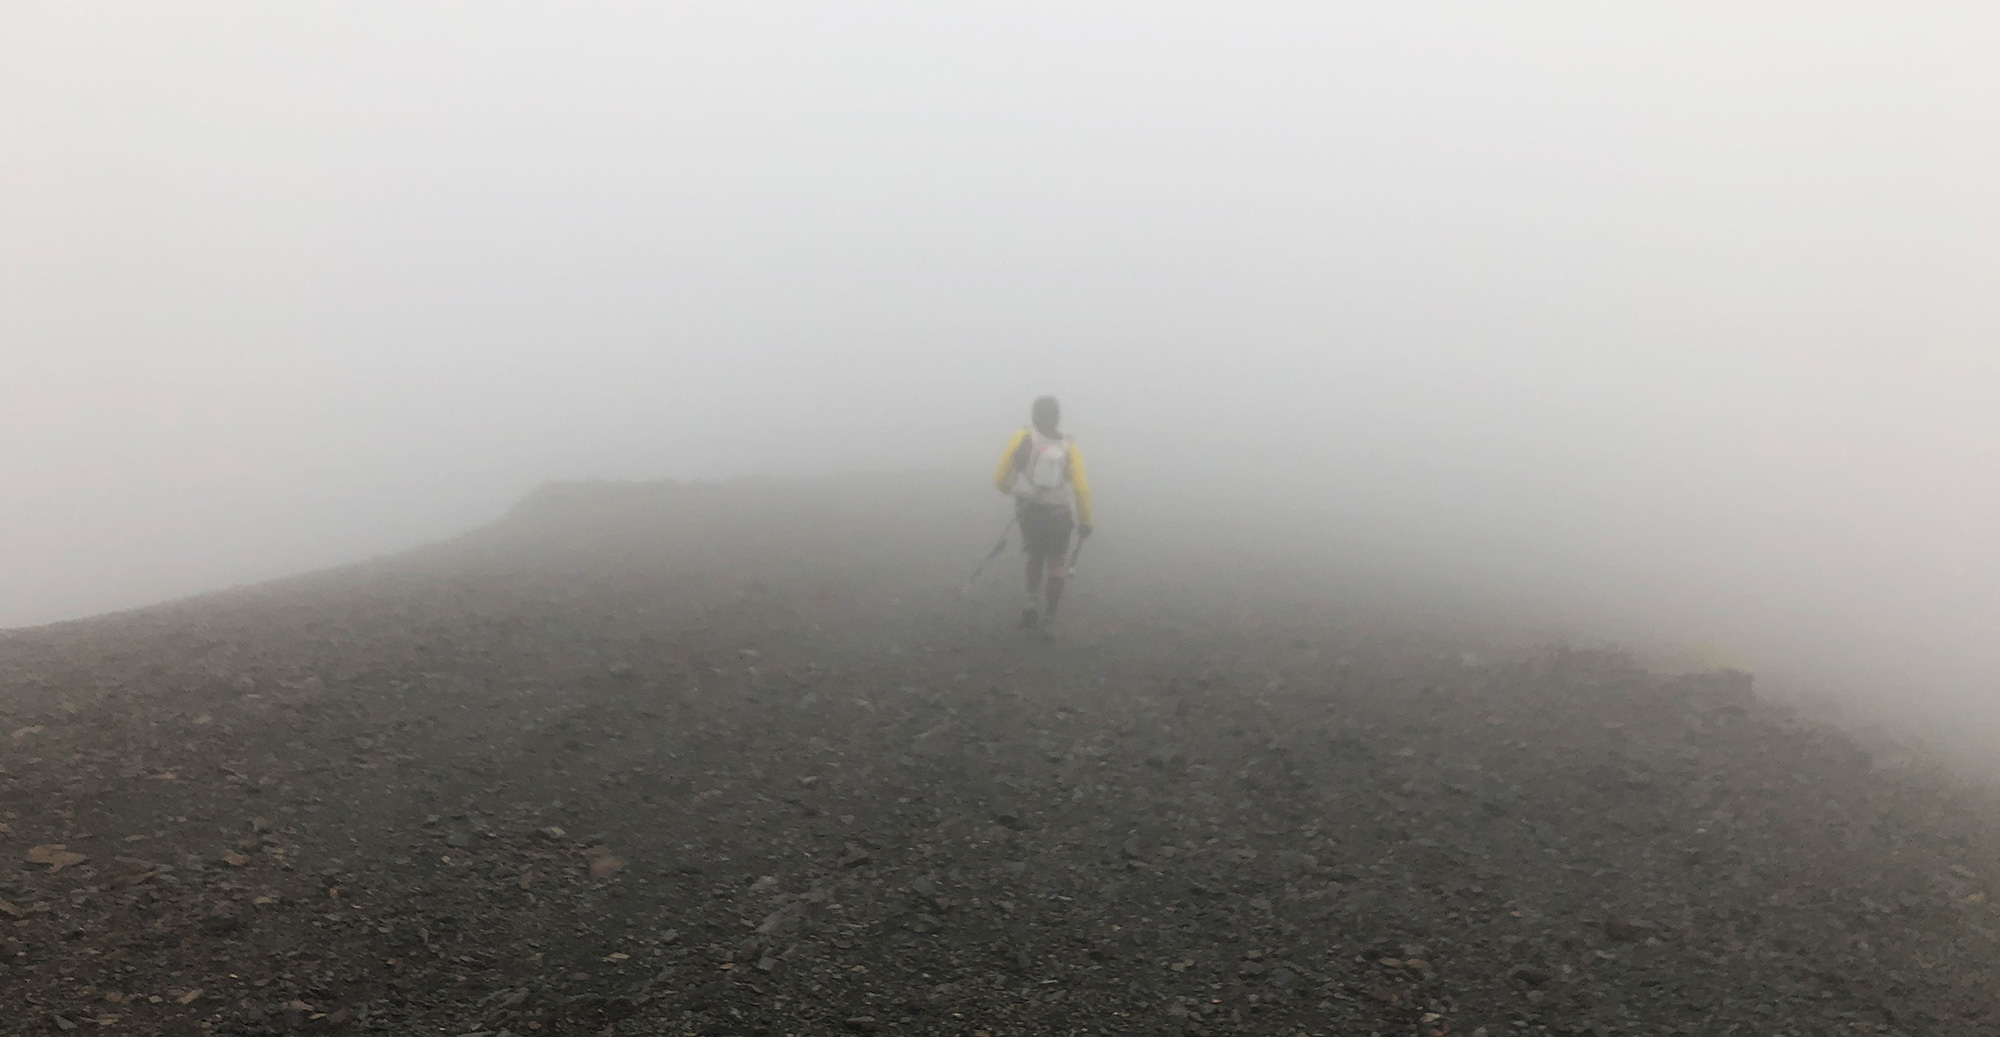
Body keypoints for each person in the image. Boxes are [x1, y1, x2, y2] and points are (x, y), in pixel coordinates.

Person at [993, 396, 1093, 631]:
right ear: (1057, 417)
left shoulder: (1023, 436)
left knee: (1034, 556)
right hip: (1059, 513)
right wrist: (1085, 519)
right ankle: (1049, 617)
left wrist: (1014, 491)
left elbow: (999, 477)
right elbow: (1080, 486)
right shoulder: (1069, 445)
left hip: (1030, 511)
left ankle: (1030, 605)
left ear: (1033, 415)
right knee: (1057, 563)